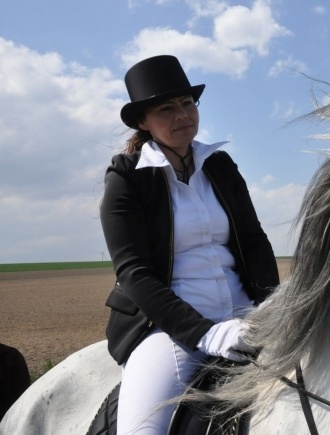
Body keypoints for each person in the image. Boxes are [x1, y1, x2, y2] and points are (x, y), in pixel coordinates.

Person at [100, 55, 280, 434]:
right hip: (169, 331)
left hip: (245, 318)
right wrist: (206, 333)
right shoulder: (126, 177)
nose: (182, 115)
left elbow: (254, 241)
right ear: (143, 122)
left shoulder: (221, 166)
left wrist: (268, 307)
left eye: (187, 103)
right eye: (166, 109)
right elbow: (133, 272)